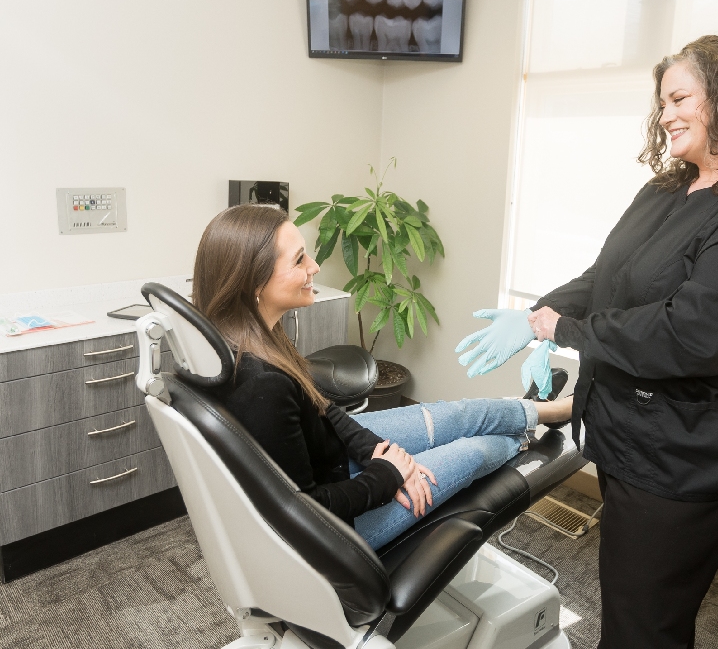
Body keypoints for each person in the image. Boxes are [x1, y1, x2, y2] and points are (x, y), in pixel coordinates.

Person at [457, 34, 718, 648]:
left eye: (680, 98)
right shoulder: (665, 192)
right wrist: (540, 312)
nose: (666, 114)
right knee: (629, 596)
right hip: (629, 432)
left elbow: (694, 336)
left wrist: (562, 330)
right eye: (662, 103)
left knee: (644, 624)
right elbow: (607, 279)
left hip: (686, 454)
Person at [192, 203, 573, 551]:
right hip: (339, 528)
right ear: (253, 283)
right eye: (299, 260)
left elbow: (323, 411)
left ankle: (543, 410)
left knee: (459, 415)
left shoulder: (252, 336)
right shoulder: (261, 384)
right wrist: (389, 473)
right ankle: (522, 434)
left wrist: (376, 451)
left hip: (337, 460)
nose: (315, 267)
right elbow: (306, 512)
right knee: (477, 450)